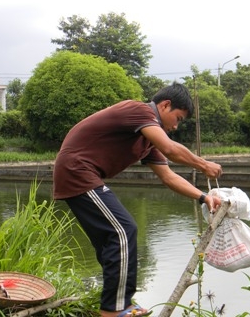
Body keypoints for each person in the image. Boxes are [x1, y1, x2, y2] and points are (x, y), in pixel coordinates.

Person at [53, 82, 222, 317]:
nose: (175, 126)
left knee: (111, 242)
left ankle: (121, 302)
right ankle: (113, 310)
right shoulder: (138, 111)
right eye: (178, 118)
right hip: (77, 172)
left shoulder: (147, 139)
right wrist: (203, 164)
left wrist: (204, 197)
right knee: (123, 230)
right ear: (165, 105)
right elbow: (171, 150)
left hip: (82, 174)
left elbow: (168, 176)